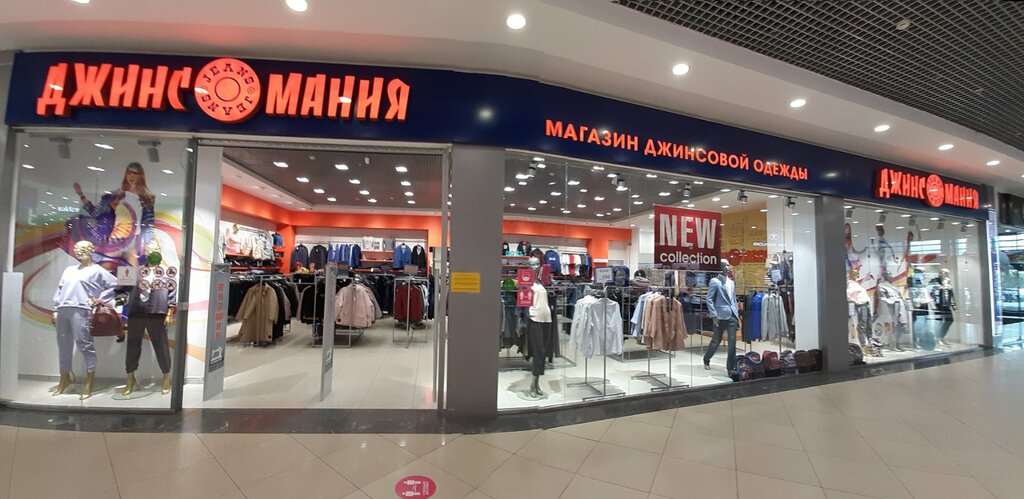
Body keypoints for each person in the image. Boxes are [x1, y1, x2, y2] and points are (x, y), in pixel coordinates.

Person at [68, 162, 156, 271]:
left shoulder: (146, 199)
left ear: (140, 176)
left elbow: (148, 226)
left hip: (133, 243)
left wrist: (147, 246)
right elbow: (97, 213)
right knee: (108, 272)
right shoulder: (115, 196)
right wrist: (82, 196)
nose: (131, 176)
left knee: (128, 274)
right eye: (129, 173)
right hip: (115, 241)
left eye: (135, 173)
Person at [704, 259, 740, 373]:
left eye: (728, 265)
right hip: (720, 316)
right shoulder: (715, 281)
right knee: (716, 340)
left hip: (732, 315)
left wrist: (736, 312)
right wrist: (714, 315)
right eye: (725, 265)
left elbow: (733, 299)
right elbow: (709, 299)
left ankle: (730, 368)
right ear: (720, 267)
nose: (727, 267)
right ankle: (706, 359)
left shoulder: (732, 282)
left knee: (732, 342)